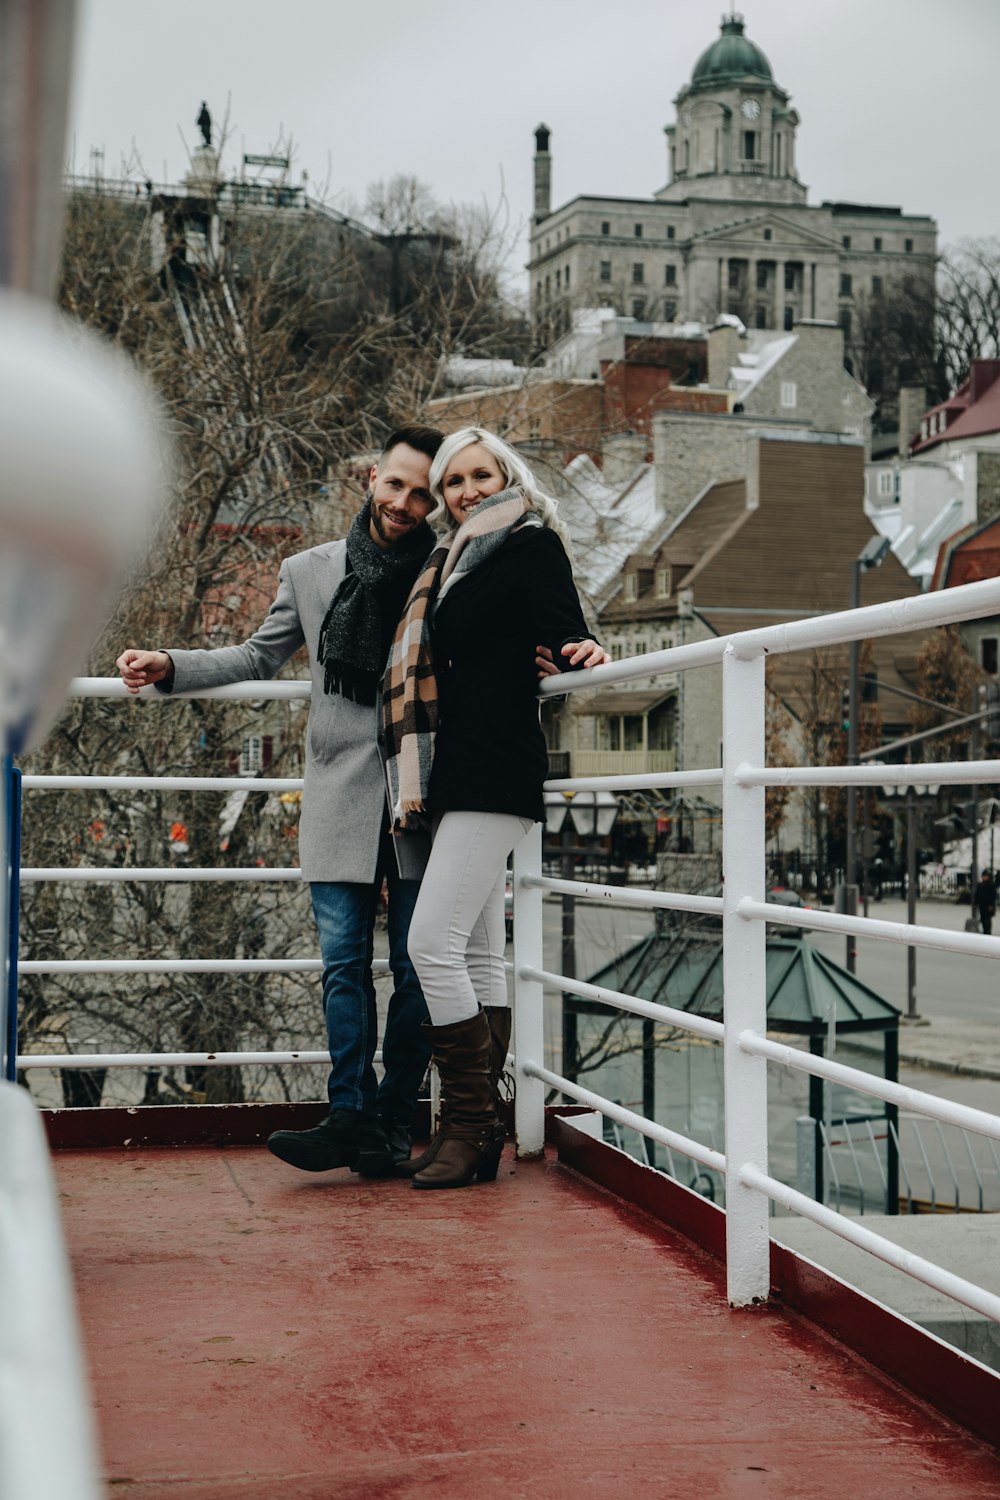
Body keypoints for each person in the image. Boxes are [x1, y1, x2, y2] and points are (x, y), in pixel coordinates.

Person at [116, 424, 444, 1177]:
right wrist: (171, 664)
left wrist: (551, 650)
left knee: (417, 971)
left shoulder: (444, 571)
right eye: (395, 484)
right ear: (371, 477)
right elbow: (257, 655)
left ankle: (394, 1123)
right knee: (341, 968)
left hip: (422, 795)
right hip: (337, 793)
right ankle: (347, 1116)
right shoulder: (310, 570)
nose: (404, 502)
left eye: (421, 493)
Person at [382, 426, 610, 1190]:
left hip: (496, 771)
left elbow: (564, 626)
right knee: (476, 952)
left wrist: (584, 650)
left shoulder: (529, 545)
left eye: (482, 475)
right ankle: (475, 1137)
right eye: (455, 482)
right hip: (454, 774)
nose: (468, 490)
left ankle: (471, 1122)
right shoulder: (449, 563)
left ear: (506, 475)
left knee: (429, 944)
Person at [973, 869, 997, 935]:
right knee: (983, 919)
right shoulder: (980, 885)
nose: (984, 877)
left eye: (986, 876)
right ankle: (985, 932)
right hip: (982, 905)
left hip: (989, 906)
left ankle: (988, 932)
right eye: (983, 876)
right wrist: (976, 903)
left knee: (988, 920)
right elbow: (977, 894)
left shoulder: (991, 885)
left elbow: (993, 896)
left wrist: (991, 905)